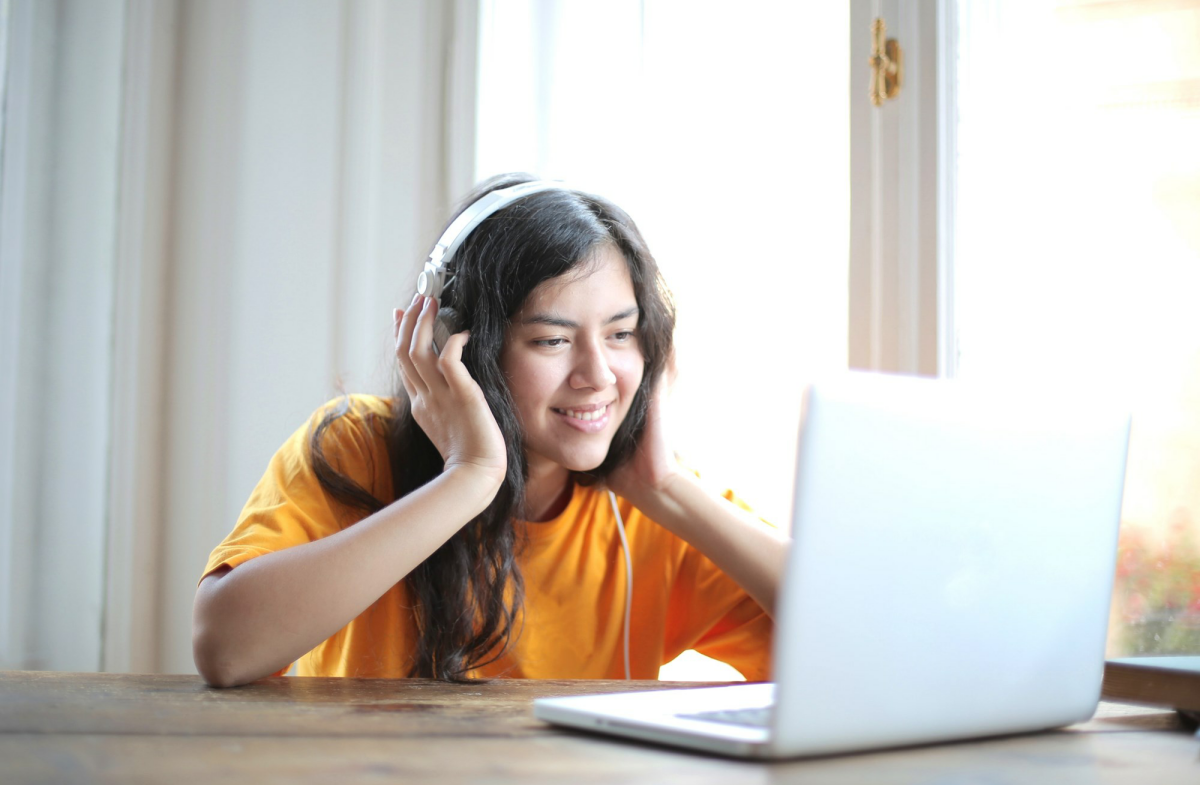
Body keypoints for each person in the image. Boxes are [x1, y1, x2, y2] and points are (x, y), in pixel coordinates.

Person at [192, 174, 789, 687]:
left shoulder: (647, 507)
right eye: (552, 340)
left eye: (621, 333)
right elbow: (226, 649)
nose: (598, 375)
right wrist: (469, 478)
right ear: (462, 347)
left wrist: (666, 490)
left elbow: (862, 645)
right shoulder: (355, 446)